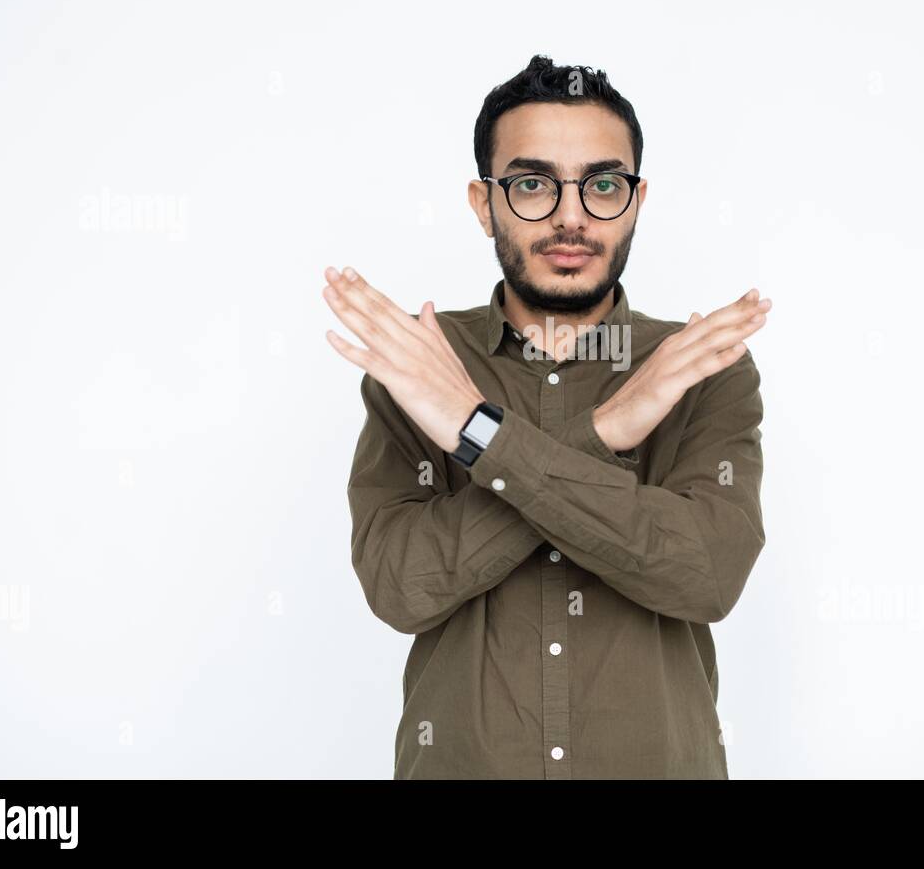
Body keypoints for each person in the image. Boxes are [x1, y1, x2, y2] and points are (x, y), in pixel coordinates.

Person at [322, 55, 771, 778]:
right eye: (532, 184)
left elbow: (705, 574)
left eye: (602, 185)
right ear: (483, 203)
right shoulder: (421, 365)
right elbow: (402, 585)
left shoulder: (699, 367)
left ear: (636, 200)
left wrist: (479, 434)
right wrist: (605, 433)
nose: (570, 216)